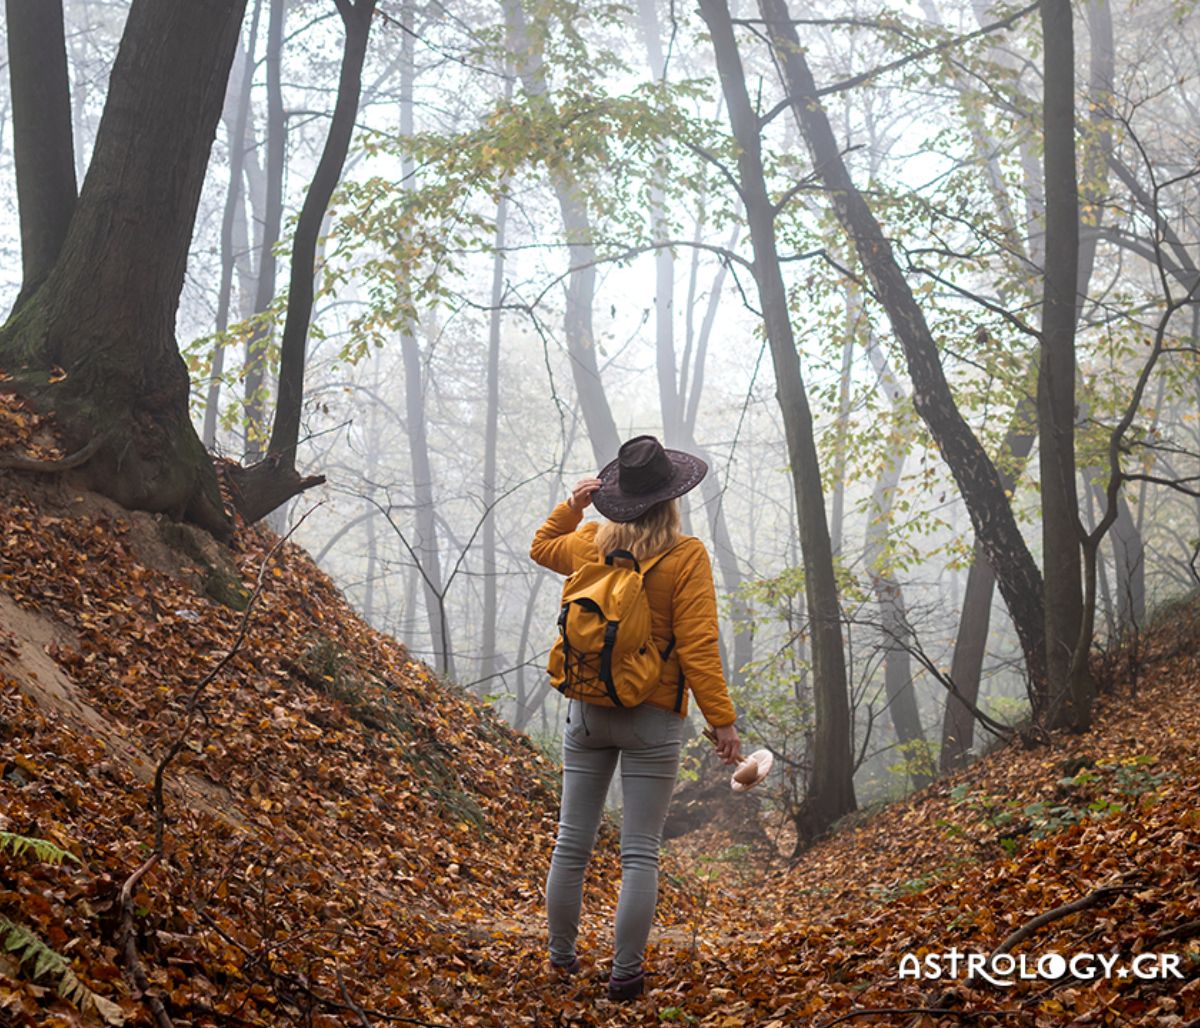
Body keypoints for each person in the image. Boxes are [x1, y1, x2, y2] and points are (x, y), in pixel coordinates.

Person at [530, 434, 742, 1002]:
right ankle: (625, 976)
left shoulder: (590, 540)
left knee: (571, 843)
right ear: (670, 497)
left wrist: (573, 505)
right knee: (639, 851)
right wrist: (721, 720)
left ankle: (561, 959)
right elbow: (698, 645)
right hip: (652, 717)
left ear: (618, 497)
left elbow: (540, 545)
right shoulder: (685, 555)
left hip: (588, 711)